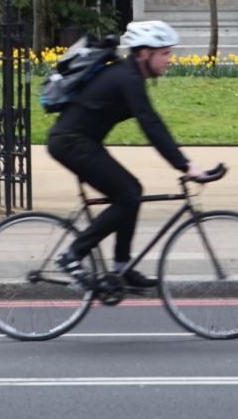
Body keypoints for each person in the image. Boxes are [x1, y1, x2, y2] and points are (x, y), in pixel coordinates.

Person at [48, 20, 208, 289]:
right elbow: (152, 126)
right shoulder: (128, 78)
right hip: (71, 143)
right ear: (145, 53)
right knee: (128, 195)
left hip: (80, 141)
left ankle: (122, 267)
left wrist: (183, 163)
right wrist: (186, 166)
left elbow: (152, 124)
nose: (170, 59)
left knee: (131, 191)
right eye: (165, 53)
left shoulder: (128, 75)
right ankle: (72, 255)